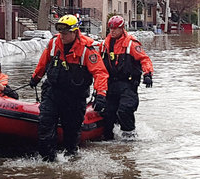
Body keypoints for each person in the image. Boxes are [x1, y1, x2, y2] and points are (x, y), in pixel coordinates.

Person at [30, 14, 109, 161]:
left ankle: (70, 158)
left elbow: (100, 73)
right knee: (45, 125)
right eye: (60, 32)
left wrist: (101, 95)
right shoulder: (54, 43)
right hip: (53, 92)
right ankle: (48, 161)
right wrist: (36, 78)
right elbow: (43, 62)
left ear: (75, 32)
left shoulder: (87, 49)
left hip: (75, 96)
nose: (62, 36)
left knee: (71, 131)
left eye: (65, 33)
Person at [98, 15, 154, 140]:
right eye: (110, 28)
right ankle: (109, 138)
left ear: (122, 29)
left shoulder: (131, 44)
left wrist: (148, 74)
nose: (112, 31)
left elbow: (144, 59)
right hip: (111, 84)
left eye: (115, 29)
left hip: (127, 84)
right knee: (107, 113)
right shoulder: (105, 44)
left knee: (125, 110)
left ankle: (130, 139)